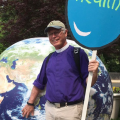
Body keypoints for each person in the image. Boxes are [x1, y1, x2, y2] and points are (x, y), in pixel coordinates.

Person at [22, 20, 99, 120]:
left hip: (71, 111)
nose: (53, 36)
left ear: (65, 32)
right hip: (50, 110)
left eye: (56, 32)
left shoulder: (78, 54)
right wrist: (30, 103)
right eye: (50, 34)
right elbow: (39, 83)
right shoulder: (48, 59)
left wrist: (94, 72)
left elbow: (88, 83)